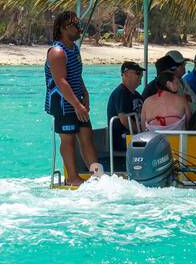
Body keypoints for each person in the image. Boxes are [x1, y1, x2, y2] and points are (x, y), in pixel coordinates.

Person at [45, 11, 100, 185]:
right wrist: (76, 105)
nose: (79, 29)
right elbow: (61, 82)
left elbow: (75, 75)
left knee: (86, 136)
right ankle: (72, 177)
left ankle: (97, 174)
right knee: (68, 140)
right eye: (75, 25)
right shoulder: (57, 52)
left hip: (77, 100)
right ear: (63, 28)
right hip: (63, 103)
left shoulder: (74, 49)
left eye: (79, 25)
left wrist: (85, 92)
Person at [106, 61, 145, 164]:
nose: (141, 75)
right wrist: (142, 132)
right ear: (125, 74)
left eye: (141, 73)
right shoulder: (121, 93)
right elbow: (124, 119)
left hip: (133, 135)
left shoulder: (137, 95)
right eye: (137, 73)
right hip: (122, 138)